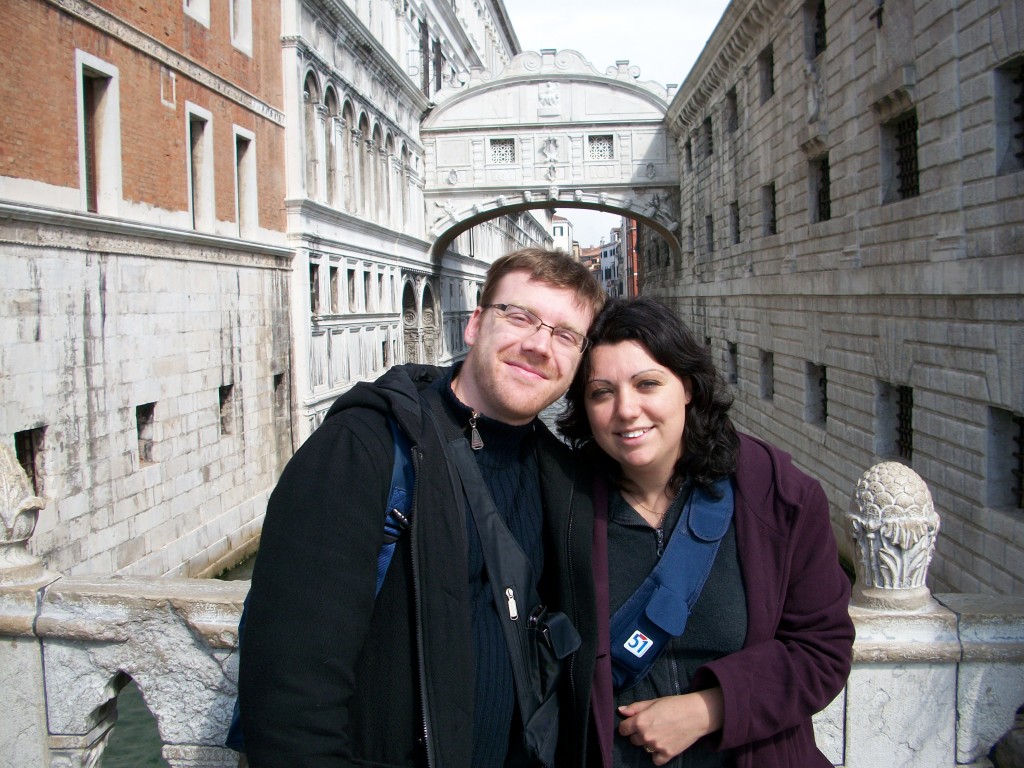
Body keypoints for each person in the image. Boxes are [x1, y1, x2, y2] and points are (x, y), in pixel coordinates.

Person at [237, 248, 606, 768]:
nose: (539, 345)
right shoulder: (363, 448)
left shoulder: (560, 478)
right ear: (474, 324)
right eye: (520, 316)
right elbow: (289, 696)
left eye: (565, 335)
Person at [558, 297, 854, 768]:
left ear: (688, 388)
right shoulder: (562, 505)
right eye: (601, 392)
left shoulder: (777, 495)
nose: (626, 410)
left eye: (647, 384)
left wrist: (709, 708)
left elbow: (823, 649)